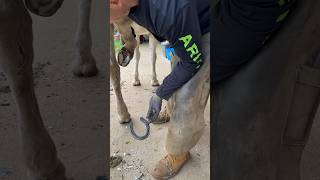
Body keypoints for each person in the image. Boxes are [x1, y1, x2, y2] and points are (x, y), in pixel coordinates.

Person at [110, 0, 294, 179]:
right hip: (197, 15)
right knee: (176, 65)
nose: (109, 23)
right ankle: (172, 108)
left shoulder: (169, 13)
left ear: (115, 2)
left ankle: (179, 151)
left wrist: (160, 93)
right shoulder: (138, 9)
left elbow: (192, 62)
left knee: (189, 90)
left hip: (249, 11)